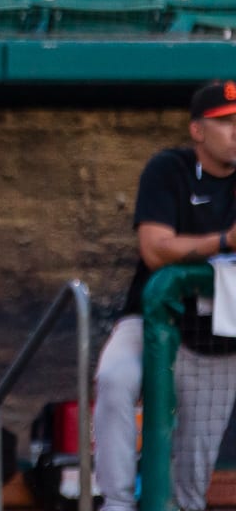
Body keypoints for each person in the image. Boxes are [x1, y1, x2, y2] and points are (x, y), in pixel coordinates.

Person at [93, 80, 236, 511]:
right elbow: (155, 249)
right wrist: (227, 241)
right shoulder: (168, 168)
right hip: (154, 319)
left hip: (218, 337)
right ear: (198, 131)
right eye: (226, 122)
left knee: (190, 487)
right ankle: (116, 502)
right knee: (115, 379)